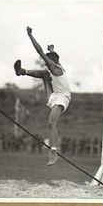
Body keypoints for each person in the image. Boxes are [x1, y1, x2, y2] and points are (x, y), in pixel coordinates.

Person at [14, 26, 71, 165]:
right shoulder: (58, 66)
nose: (47, 65)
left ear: (52, 63)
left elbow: (40, 52)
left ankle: (54, 152)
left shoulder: (55, 68)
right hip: (54, 95)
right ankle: (22, 71)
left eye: (48, 63)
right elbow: (54, 58)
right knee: (45, 75)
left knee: (51, 123)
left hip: (62, 98)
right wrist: (52, 51)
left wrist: (30, 36)